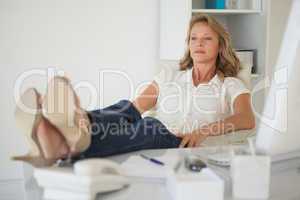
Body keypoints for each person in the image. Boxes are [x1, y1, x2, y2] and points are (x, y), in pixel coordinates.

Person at [12, 14, 255, 167]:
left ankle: (62, 141)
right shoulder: (170, 74)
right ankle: (68, 128)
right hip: (153, 130)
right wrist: (113, 116)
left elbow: (246, 119)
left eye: (206, 39)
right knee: (125, 111)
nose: (198, 44)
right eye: (193, 38)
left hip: (180, 142)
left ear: (220, 45)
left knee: (148, 126)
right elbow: (136, 108)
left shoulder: (230, 84)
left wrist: (203, 132)